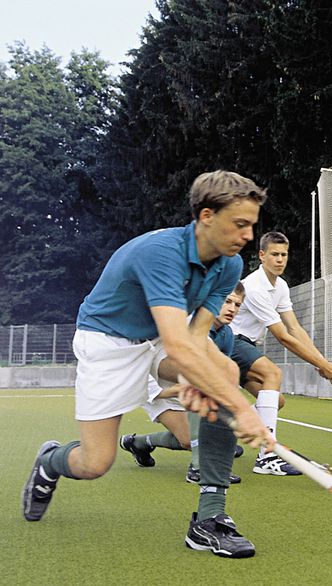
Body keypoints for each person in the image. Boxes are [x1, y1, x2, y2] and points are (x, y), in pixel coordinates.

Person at [22, 170, 275, 559]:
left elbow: (193, 338)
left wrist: (207, 383)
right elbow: (178, 342)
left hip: (161, 337)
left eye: (251, 226)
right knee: (94, 463)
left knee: (224, 372)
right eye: (240, 224)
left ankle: (210, 518)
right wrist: (243, 408)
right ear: (207, 216)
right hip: (108, 341)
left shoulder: (228, 265)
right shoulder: (160, 254)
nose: (247, 235)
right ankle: (51, 462)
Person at [230, 230, 332, 476]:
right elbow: (283, 336)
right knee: (272, 373)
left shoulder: (281, 286)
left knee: (275, 401)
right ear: (262, 255)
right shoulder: (254, 288)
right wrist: (322, 365)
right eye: (274, 254)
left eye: (284, 254)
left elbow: (295, 328)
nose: (280, 259)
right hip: (230, 343)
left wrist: (322, 362)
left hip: (247, 346)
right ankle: (267, 458)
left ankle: (224, 434)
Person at [119, 282, 249, 484]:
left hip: (187, 389)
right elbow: (141, 362)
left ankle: (138, 443)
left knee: (190, 440)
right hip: (156, 387)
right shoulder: (185, 321)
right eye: (227, 301)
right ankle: (198, 469)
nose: (232, 308)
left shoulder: (226, 335)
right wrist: (161, 393)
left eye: (237, 305)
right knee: (198, 435)